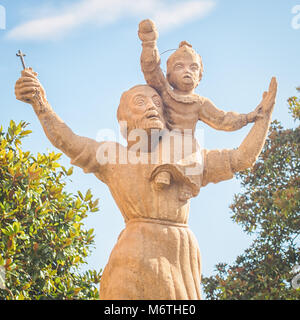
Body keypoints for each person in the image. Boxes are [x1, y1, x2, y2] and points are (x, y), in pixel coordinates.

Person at [15, 68, 277, 299]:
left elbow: (241, 158)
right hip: (132, 254)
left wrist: (263, 118)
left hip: (179, 255)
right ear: (124, 118)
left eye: (156, 102)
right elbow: (67, 140)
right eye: (140, 102)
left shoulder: (186, 158)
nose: (152, 107)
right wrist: (40, 103)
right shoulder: (112, 157)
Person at [138, 19, 264, 195]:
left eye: (193, 67)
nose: (187, 71)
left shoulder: (200, 103)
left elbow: (222, 119)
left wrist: (248, 117)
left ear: (200, 77)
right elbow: (151, 69)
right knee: (169, 144)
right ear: (169, 75)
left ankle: (188, 185)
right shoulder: (165, 92)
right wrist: (149, 43)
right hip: (167, 139)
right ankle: (163, 172)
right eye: (180, 67)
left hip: (188, 144)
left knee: (194, 155)